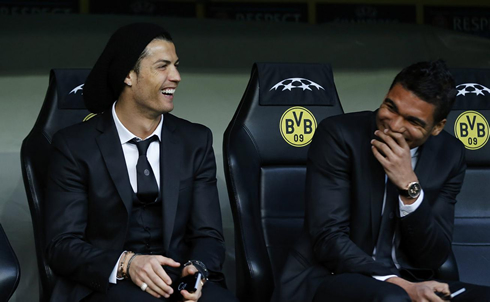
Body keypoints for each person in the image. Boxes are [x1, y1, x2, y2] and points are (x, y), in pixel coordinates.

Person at [45, 23, 237, 302]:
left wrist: (197, 270)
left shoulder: (195, 141)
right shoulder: (74, 146)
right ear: (128, 75)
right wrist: (127, 263)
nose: (177, 76)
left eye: (176, 65)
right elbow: (61, 245)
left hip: (178, 281)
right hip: (107, 284)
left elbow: (209, 235)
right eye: (163, 66)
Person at [272, 60, 490, 301]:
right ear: (386, 95)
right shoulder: (339, 135)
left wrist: (410, 187)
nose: (394, 126)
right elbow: (328, 238)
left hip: (413, 278)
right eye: (391, 107)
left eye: (413, 121)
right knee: (393, 299)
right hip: (332, 276)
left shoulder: (450, 154)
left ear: (437, 127)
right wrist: (400, 285)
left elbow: (433, 255)